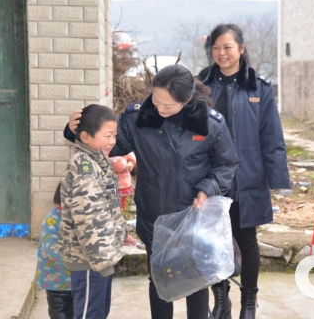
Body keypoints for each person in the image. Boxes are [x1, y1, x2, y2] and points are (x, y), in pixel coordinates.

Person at [64, 65, 240, 319]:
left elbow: (227, 163)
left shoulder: (210, 124)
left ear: (187, 99)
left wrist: (208, 187)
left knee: (197, 281)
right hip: (154, 215)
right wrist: (75, 131)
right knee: (158, 278)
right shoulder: (137, 118)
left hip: (193, 216)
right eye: (156, 100)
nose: (160, 109)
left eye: (168, 105)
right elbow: (108, 145)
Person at [198, 23, 290, 319]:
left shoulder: (259, 87)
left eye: (227, 47)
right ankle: (221, 300)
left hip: (248, 177)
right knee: (215, 241)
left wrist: (277, 181)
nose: (221, 53)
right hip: (211, 177)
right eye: (216, 47)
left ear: (241, 48)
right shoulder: (200, 85)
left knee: (246, 240)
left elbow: (271, 136)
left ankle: (248, 304)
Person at [59, 104, 127, 319]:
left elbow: (108, 208)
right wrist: (103, 260)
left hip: (99, 257)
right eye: (107, 136)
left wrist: (121, 234)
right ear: (86, 137)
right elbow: (91, 220)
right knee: (90, 313)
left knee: (98, 311)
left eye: (114, 135)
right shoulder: (84, 168)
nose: (113, 142)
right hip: (91, 260)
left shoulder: (97, 160)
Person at [36, 183, 73, 319]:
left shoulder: (79, 219)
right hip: (56, 282)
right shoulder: (52, 221)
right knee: (60, 313)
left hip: (75, 281)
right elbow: (52, 251)